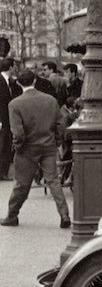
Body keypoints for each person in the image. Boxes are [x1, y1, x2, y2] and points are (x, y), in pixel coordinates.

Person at [0, 69, 68, 228]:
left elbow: (18, 132)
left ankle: (12, 215)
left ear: (18, 82)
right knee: (53, 181)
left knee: (21, 184)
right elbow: (60, 124)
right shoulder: (50, 100)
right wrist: (56, 141)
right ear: (35, 81)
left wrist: (18, 146)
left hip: (26, 150)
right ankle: (64, 214)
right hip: (48, 146)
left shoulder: (15, 104)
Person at [0, 58, 20, 181]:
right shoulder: (2, 82)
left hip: (6, 120)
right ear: (10, 67)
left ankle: (3, 172)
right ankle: (2, 172)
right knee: (3, 146)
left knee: (5, 146)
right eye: (14, 66)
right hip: (3, 120)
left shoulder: (9, 82)